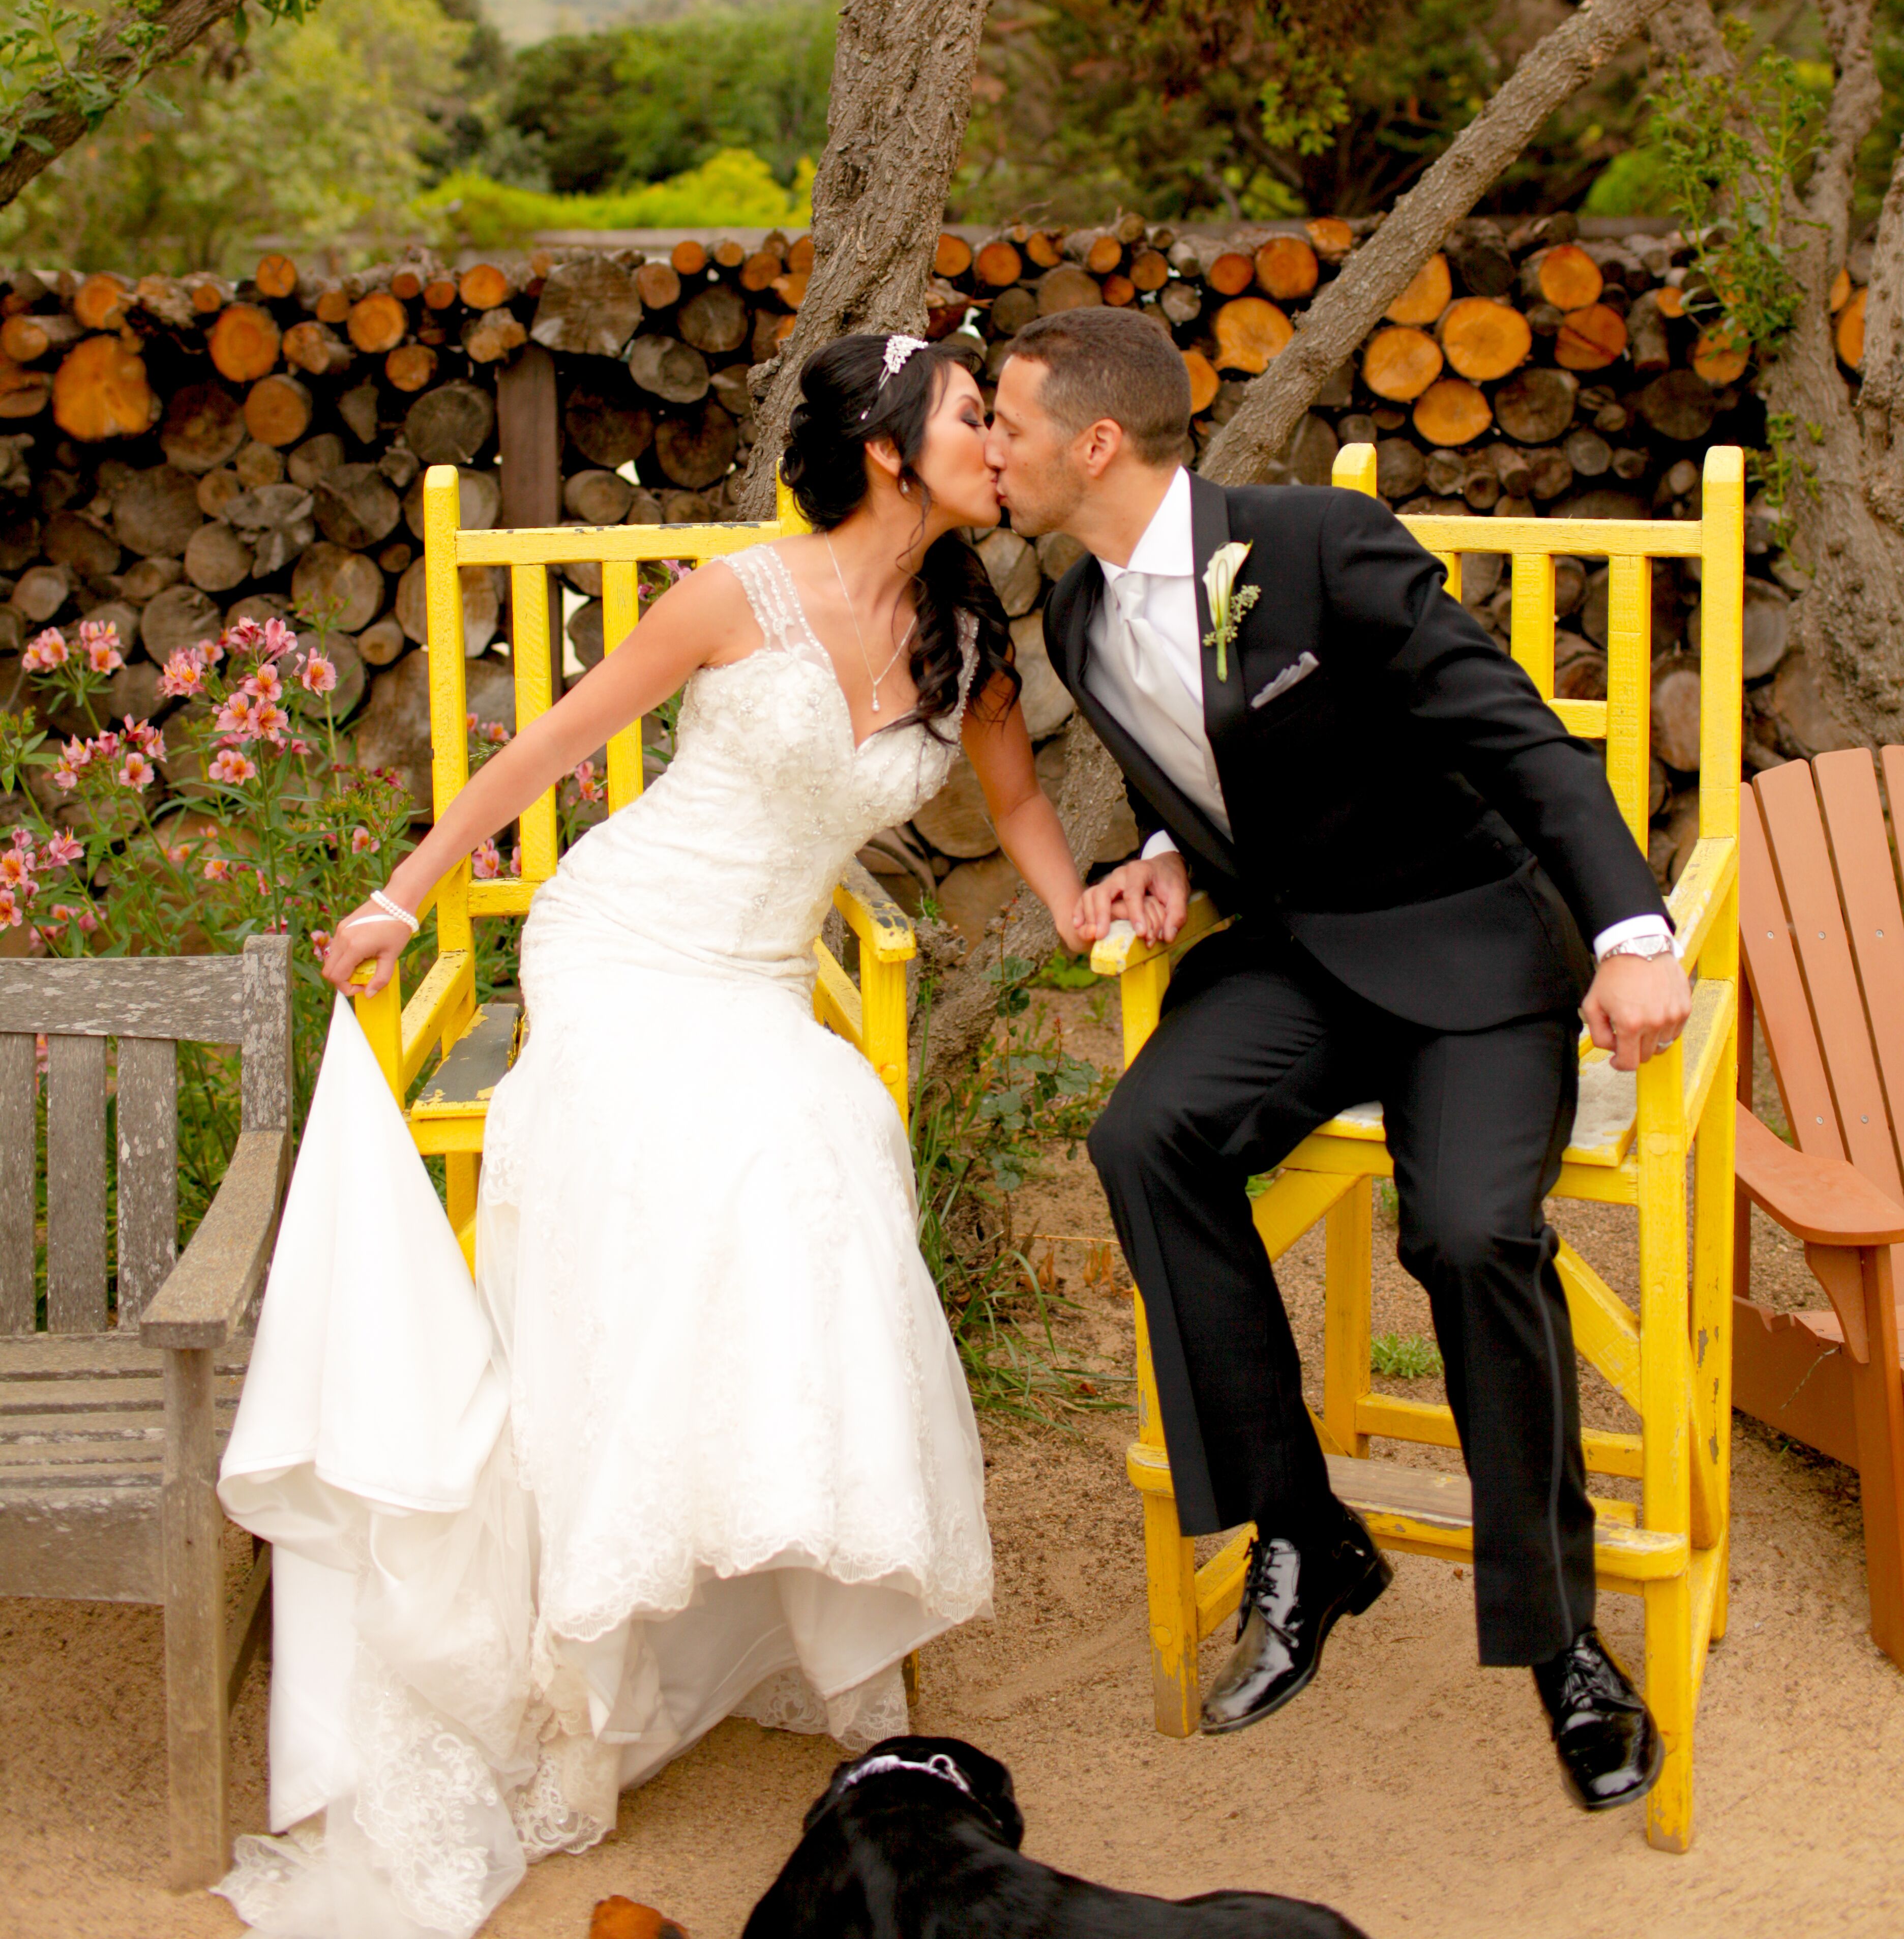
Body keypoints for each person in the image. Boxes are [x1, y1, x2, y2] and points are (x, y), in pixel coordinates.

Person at [216, 333, 1090, 1939]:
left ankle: (832, 1632)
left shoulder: (971, 633)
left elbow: (1025, 812)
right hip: (621, 949)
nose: (1001, 441)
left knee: (820, 1146)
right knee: (740, 1165)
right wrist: (400, 898)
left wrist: (1084, 910)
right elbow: (543, 753)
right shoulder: (735, 595)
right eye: (975, 416)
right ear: (892, 449)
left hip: (757, 981)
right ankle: (587, 1681)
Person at [985, 305, 1689, 1815]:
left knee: (1470, 1232)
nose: (991, 449)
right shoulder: (1075, 616)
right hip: (1297, 958)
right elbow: (1224, 765)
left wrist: (1632, 927)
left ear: (1094, 443)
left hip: (1470, 948)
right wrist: (1169, 850)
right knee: (1142, 1137)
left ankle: (1565, 1645)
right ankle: (1305, 1532)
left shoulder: (1318, 544)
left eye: (1008, 424)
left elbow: (1520, 743)